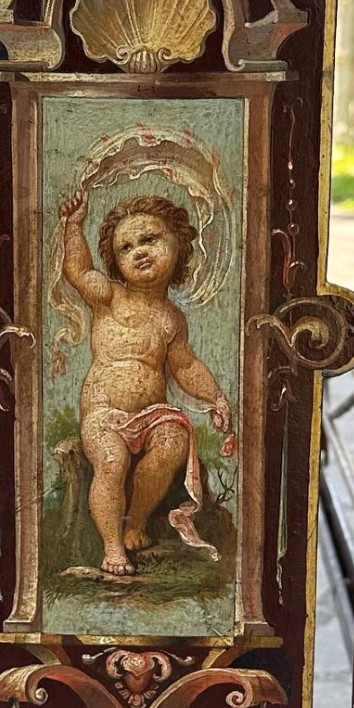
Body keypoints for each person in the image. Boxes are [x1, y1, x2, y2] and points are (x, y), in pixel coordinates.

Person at [59, 190, 234, 576]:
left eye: (150, 239)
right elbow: (78, 271)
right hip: (105, 412)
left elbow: (185, 366)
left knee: (173, 440)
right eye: (126, 247)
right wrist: (74, 226)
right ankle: (111, 547)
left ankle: (135, 521)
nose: (138, 251)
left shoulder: (172, 319)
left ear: (179, 245)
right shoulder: (110, 296)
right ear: (116, 264)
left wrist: (216, 397)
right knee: (111, 460)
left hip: (151, 415)